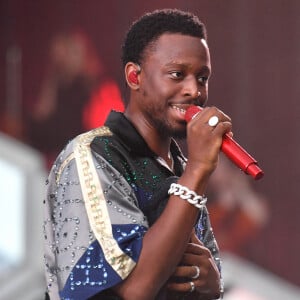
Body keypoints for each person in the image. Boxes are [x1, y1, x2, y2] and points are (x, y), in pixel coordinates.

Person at [43, 9, 233, 299]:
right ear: (134, 76)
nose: (194, 90)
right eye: (177, 74)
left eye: (203, 78)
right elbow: (136, 289)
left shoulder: (181, 170)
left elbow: (199, 276)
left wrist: (211, 285)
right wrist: (197, 171)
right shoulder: (93, 155)